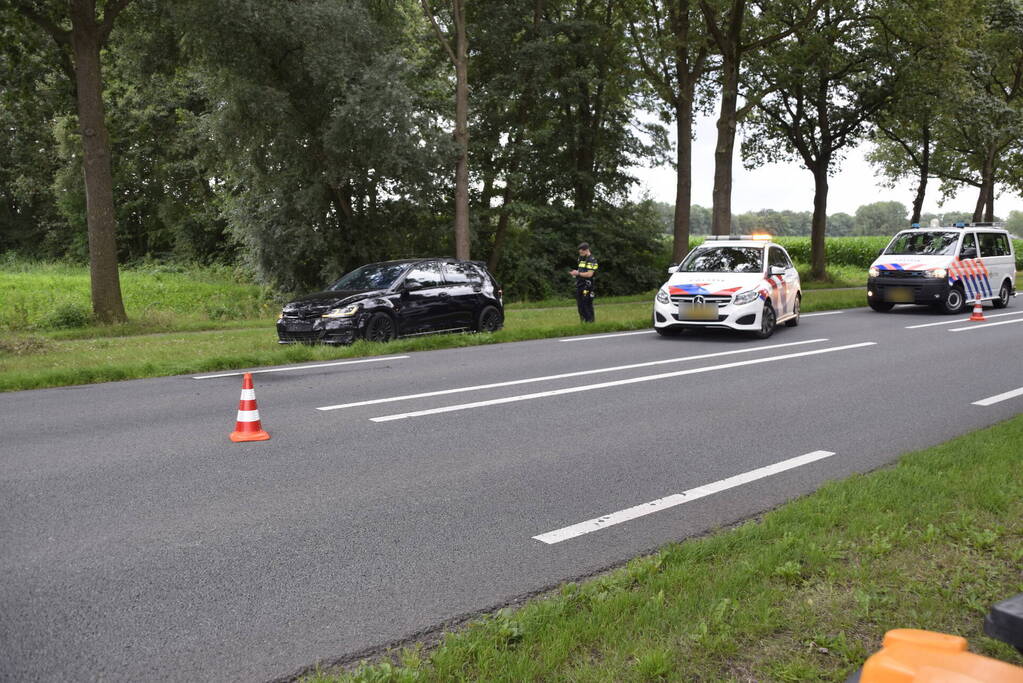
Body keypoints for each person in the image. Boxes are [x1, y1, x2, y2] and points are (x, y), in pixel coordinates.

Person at [569, 242, 598, 323]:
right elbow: (581, 270)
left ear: (586, 250)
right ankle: (583, 322)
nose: (580, 254)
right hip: (580, 285)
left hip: (587, 286)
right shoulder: (581, 258)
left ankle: (590, 322)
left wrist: (578, 273)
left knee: (586, 304)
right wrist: (575, 273)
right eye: (580, 252)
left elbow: (589, 274)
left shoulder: (592, 260)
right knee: (580, 305)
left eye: (582, 252)